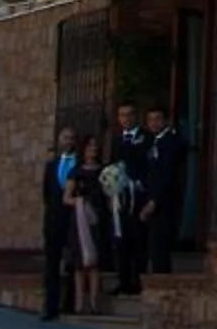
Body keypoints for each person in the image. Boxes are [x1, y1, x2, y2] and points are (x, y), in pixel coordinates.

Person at [137, 106, 188, 275]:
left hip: (164, 202)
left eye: (158, 119)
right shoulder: (150, 141)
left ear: (165, 121)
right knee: (151, 245)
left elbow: (167, 175)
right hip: (150, 197)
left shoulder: (170, 142)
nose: (154, 123)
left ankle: (162, 281)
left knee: (160, 246)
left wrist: (154, 201)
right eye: (150, 120)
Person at [39, 128, 82, 322]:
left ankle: (70, 303)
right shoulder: (51, 165)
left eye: (71, 138)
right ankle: (51, 306)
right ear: (59, 141)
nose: (68, 141)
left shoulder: (79, 165)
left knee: (74, 261)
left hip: (73, 218)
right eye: (65, 138)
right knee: (52, 263)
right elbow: (46, 194)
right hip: (54, 220)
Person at [108, 102, 147, 296]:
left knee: (138, 239)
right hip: (121, 196)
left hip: (138, 195)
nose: (126, 119)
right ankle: (123, 280)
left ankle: (137, 280)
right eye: (122, 115)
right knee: (121, 239)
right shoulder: (116, 140)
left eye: (129, 114)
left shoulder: (145, 137)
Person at [67, 144, 108, 314]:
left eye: (95, 147)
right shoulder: (76, 172)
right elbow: (66, 198)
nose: (93, 149)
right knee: (79, 262)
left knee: (95, 261)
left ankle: (94, 303)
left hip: (97, 218)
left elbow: (108, 193)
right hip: (79, 218)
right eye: (89, 146)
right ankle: (79, 303)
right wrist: (80, 203)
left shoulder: (103, 171)